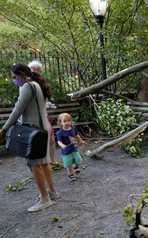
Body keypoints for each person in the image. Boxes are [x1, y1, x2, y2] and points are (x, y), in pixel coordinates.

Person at [0, 63, 59, 212]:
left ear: (20, 75)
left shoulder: (27, 86)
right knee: (44, 163)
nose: (14, 80)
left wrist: (4, 129)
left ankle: (44, 198)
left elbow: (18, 109)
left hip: (34, 132)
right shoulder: (35, 84)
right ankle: (52, 193)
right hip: (42, 129)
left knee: (33, 164)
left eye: (14, 77)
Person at [28, 60, 61, 169]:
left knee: (51, 139)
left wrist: (47, 104)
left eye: (38, 72)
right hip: (34, 119)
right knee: (40, 142)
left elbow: (45, 100)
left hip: (45, 116)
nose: (36, 74)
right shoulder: (27, 85)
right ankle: (42, 164)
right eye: (34, 71)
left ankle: (52, 161)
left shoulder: (42, 84)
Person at [56, 113, 86, 181]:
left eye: (69, 120)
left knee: (78, 160)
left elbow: (76, 135)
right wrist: (62, 145)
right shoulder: (60, 133)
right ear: (60, 122)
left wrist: (81, 141)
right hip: (66, 152)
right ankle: (71, 174)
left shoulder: (73, 128)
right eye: (65, 121)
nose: (67, 122)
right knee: (68, 164)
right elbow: (59, 141)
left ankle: (75, 166)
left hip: (74, 149)